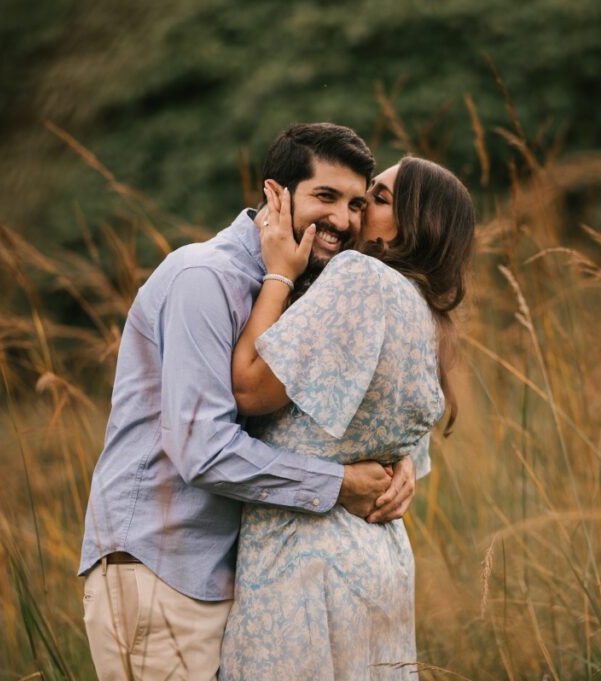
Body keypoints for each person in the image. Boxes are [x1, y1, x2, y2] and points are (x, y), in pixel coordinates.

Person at [78, 123, 422, 681]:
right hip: (161, 571)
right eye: (326, 197)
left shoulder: (305, 291)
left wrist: (399, 464)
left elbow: (319, 418)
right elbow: (202, 449)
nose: (344, 220)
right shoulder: (205, 278)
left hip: (233, 578)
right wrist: (340, 485)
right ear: (276, 196)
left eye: (358, 203)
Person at [221, 156, 475, 679]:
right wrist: (402, 468)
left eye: (375, 201)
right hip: (379, 556)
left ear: (412, 225)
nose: (354, 218)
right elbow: (400, 445)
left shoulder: (360, 277)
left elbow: (248, 387)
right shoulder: (430, 315)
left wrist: (277, 274)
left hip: (303, 556)